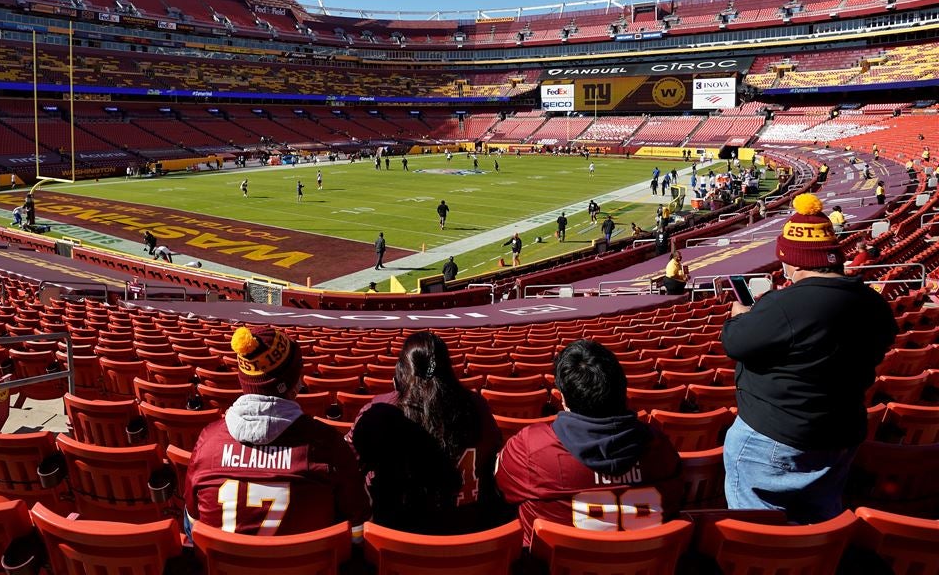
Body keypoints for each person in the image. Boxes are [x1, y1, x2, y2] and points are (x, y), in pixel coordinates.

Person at [721, 193, 897, 523]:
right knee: (817, 521)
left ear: (796, 261)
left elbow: (735, 342)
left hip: (773, 439)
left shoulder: (785, 304)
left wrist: (741, 315)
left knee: (764, 534)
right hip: (840, 434)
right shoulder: (871, 302)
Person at [495, 340, 683, 546]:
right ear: (623, 391)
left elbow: (501, 490)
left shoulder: (531, 448)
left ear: (564, 399)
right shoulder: (659, 446)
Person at [186, 326, 369, 536]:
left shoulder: (208, 441)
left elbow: (194, 524)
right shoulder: (327, 444)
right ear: (291, 383)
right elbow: (359, 528)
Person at [350, 332, 507, 534]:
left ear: (401, 373)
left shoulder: (381, 409)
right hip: (471, 540)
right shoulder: (477, 406)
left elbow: (349, 468)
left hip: (398, 546)